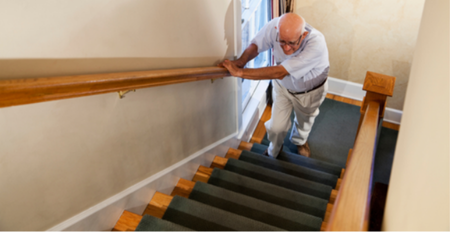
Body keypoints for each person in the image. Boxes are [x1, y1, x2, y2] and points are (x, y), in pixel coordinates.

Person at [220, 13, 329, 158]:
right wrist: (241, 61)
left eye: (292, 43)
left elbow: (280, 72)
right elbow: (256, 45)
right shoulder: (275, 26)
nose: (286, 48)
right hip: (283, 87)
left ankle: (300, 141)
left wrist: (240, 72)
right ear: (278, 30)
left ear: (303, 36)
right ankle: (274, 149)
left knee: (304, 122)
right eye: (282, 41)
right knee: (276, 127)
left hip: (309, 92)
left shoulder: (316, 43)